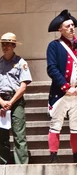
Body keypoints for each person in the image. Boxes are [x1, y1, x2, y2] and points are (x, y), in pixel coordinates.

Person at [46, 9, 77, 163]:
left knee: (76, 126)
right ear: (60, 29)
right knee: (56, 124)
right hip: (61, 93)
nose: (72, 28)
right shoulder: (54, 46)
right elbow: (52, 68)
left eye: (73, 25)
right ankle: (53, 156)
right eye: (68, 26)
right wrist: (66, 87)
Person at [0, 32, 32, 165]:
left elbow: (23, 86)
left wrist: (10, 102)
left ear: (13, 46)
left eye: (8, 44)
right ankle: (2, 163)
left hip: (16, 100)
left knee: (19, 135)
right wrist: (2, 102)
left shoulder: (21, 63)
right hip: (1, 100)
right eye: (3, 44)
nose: (5, 47)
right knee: (1, 135)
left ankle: (21, 166)